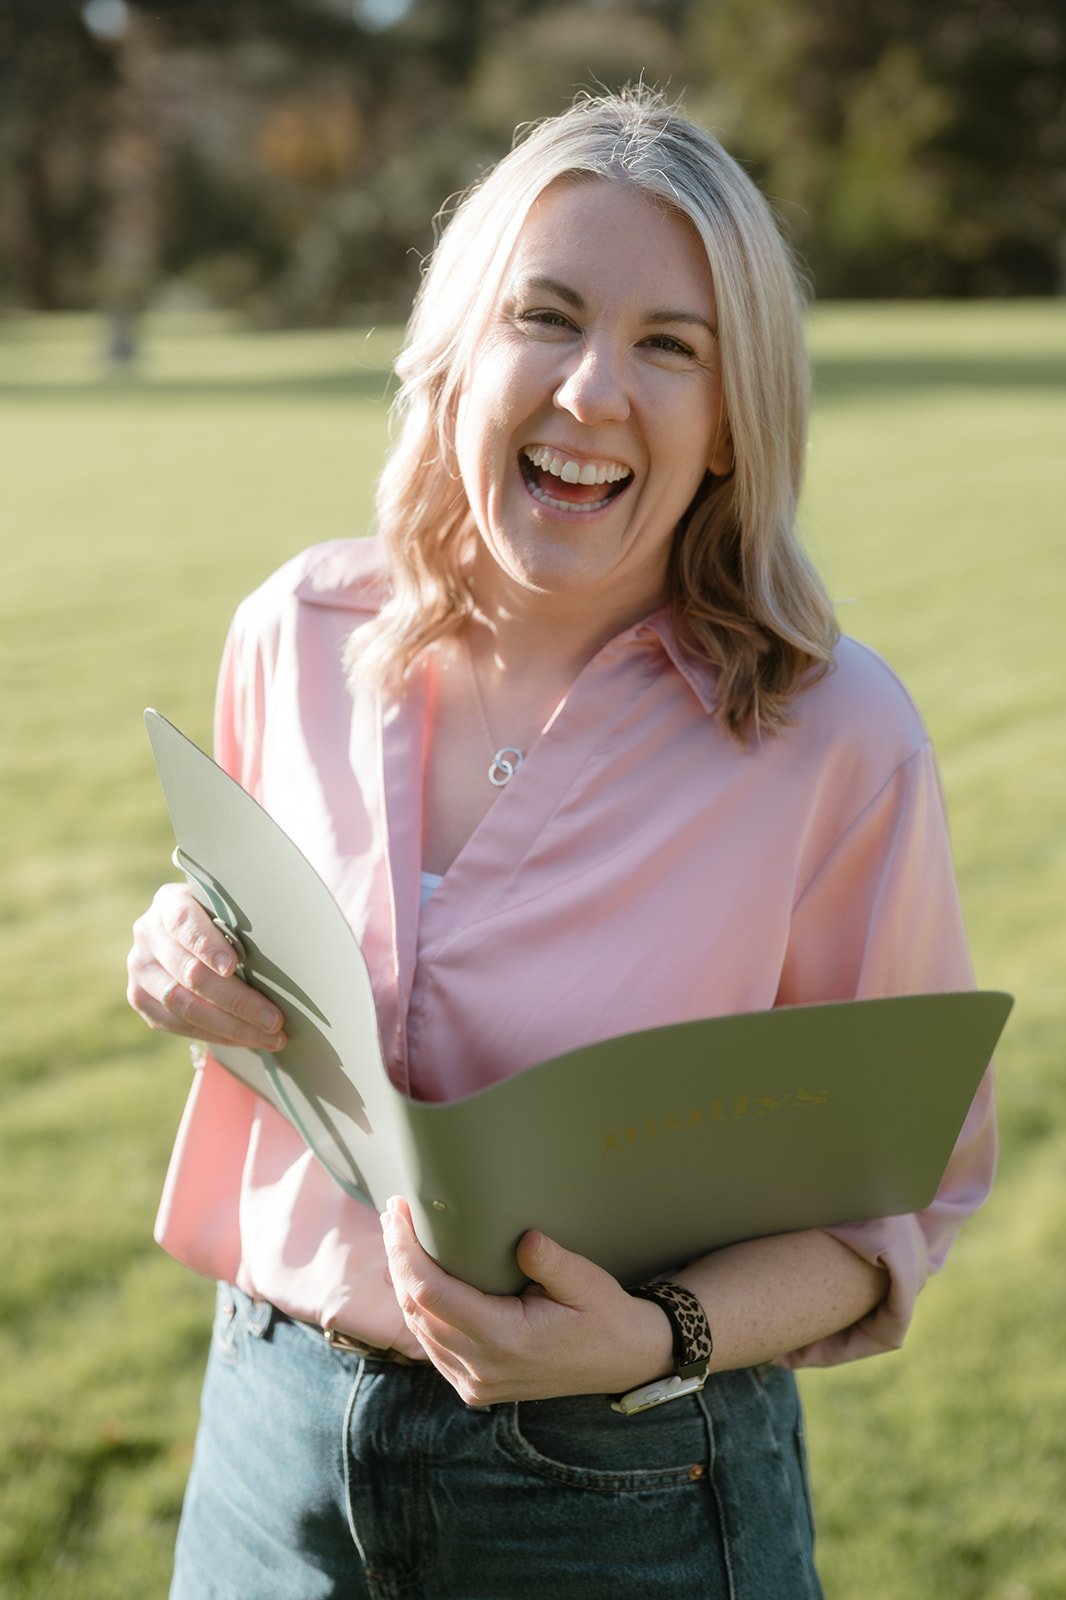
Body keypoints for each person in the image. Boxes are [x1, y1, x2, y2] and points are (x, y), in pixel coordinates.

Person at [127, 87, 995, 1599]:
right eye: (548, 316)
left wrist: (660, 1341)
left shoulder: (835, 737)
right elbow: (261, 973)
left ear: (731, 423)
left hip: (620, 1483)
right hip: (267, 1438)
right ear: (460, 351)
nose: (594, 393)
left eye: (671, 345)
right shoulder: (291, 634)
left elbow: (895, 1196)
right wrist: (178, 955)